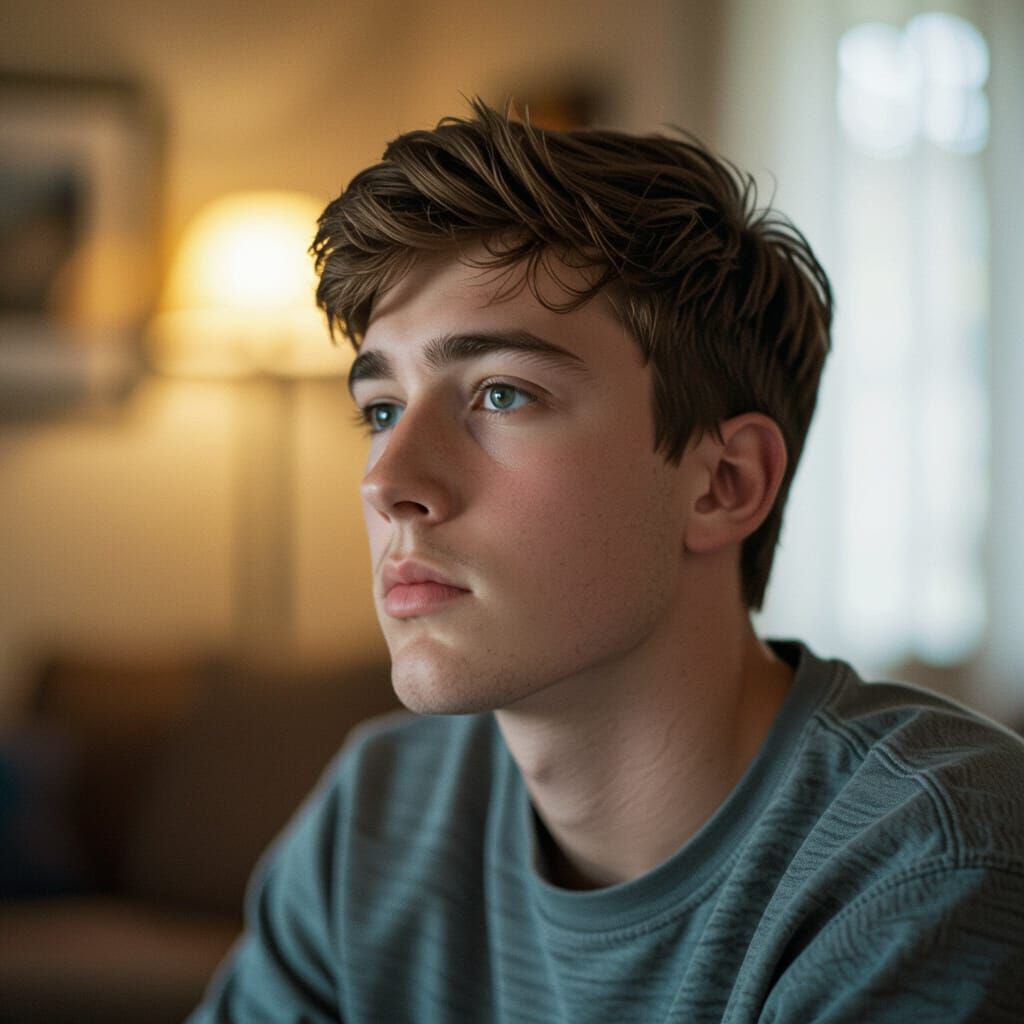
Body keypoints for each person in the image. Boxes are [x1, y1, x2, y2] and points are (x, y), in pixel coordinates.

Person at [188, 101, 1024, 1023]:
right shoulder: (382, 814)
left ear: (723, 484)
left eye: (501, 394)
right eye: (381, 409)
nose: (389, 480)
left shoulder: (932, 863)